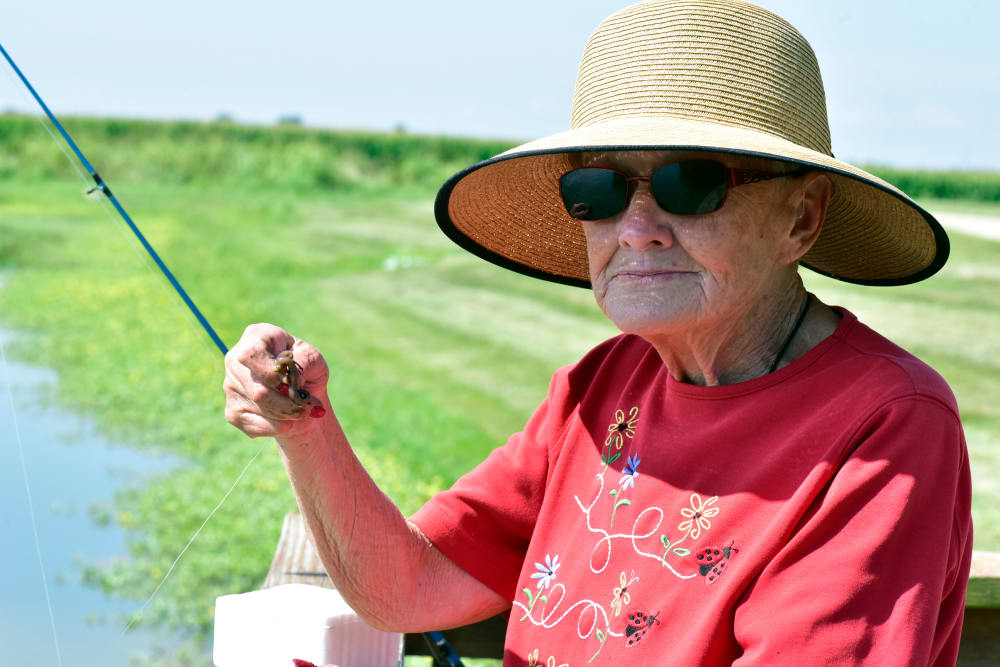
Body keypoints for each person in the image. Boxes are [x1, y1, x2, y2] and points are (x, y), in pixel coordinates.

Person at [223, 0, 972, 664]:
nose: (638, 227)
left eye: (690, 182)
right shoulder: (599, 386)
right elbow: (409, 587)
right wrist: (304, 425)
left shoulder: (885, 427)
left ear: (801, 217)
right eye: (600, 190)